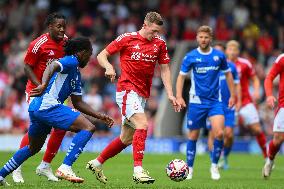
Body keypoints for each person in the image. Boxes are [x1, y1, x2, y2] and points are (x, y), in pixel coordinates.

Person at [0, 37, 114, 186]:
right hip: (48, 105)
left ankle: (1, 174)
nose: (90, 57)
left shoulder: (76, 75)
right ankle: (65, 167)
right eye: (89, 53)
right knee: (88, 127)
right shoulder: (71, 60)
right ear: (81, 52)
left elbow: (78, 103)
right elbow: (53, 65)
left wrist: (99, 116)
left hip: (38, 108)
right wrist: (43, 84)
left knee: (33, 148)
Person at [86, 12, 178, 184]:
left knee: (126, 139)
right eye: (153, 31)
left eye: (158, 32)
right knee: (143, 124)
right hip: (127, 91)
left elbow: (165, 69)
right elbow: (101, 55)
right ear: (145, 25)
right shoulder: (127, 38)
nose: (155, 35)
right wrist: (108, 67)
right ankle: (138, 170)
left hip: (142, 94)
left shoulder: (160, 44)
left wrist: (170, 94)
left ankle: (97, 163)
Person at [12, 12, 68, 183]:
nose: (62, 29)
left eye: (64, 26)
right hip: (36, 91)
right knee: (36, 130)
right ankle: (16, 167)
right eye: (58, 26)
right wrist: (40, 86)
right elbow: (27, 68)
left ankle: (45, 165)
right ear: (49, 26)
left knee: (62, 126)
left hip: (55, 93)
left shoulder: (66, 42)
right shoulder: (38, 44)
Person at [176, 25, 235, 180]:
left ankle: (214, 166)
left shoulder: (219, 56)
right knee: (193, 136)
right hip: (196, 101)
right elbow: (181, 76)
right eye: (201, 37)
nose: (203, 39)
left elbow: (228, 75)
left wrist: (233, 95)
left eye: (206, 37)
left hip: (215, 101)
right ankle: (189, 168)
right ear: (197, 38)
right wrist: (179, 96)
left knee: (220, 133)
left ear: (211, 39)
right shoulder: (190, 56)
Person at [225, 40, 267, 159]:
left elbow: (255, 79)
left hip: (245, 101)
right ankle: (224, 157)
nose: (232, 52)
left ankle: (267, 156)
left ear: (238, 51)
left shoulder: (245, 64)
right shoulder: (222, 64)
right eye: (230, 49)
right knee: (228, 135)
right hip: (228, 103)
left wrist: (257, 91)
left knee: (257, 129)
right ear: (226, 51)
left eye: (235, 50)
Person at [207, 43, 241, 170]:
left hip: (229, 105)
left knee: (229, 134)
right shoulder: (208, 66)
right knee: (213, 134)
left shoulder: (231, 67)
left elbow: (237, 85)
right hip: (213, 105)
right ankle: (215, 159)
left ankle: (224, 156)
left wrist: (238, 100)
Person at [262, 53, 284, 178]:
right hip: (283, 106)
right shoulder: (282, 59)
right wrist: (269, 95)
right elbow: (269, 77)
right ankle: (270, 160)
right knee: (278, 140)